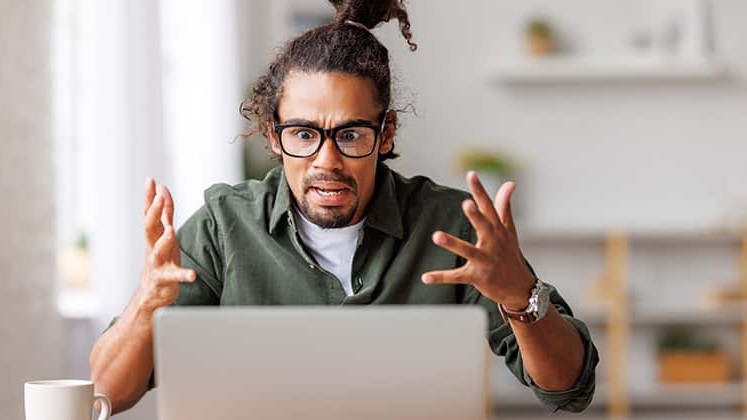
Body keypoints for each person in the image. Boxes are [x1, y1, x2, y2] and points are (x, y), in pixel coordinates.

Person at [90, 0, 598, 415]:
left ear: (387, 133)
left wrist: (520, 297)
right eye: (304, 134)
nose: (326, 161)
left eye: (351, 134)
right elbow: (106, 393)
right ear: (274, 135)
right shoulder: (225, 227)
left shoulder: (452, 228)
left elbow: (570, 388)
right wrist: (145, 304)